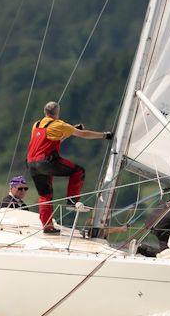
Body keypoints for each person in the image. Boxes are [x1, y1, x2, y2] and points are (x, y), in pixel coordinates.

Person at [26, 100, 112, 233]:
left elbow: (54, 138)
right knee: (78, 171)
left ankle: (48, 226)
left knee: (45, 195)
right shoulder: (59, 124)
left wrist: (72, 129)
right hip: (46, 162)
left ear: (45, 112)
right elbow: (84, 134)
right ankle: (72, 201)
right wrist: (104, 135)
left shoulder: (36, 125)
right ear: (57, 112)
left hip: (32, 164)